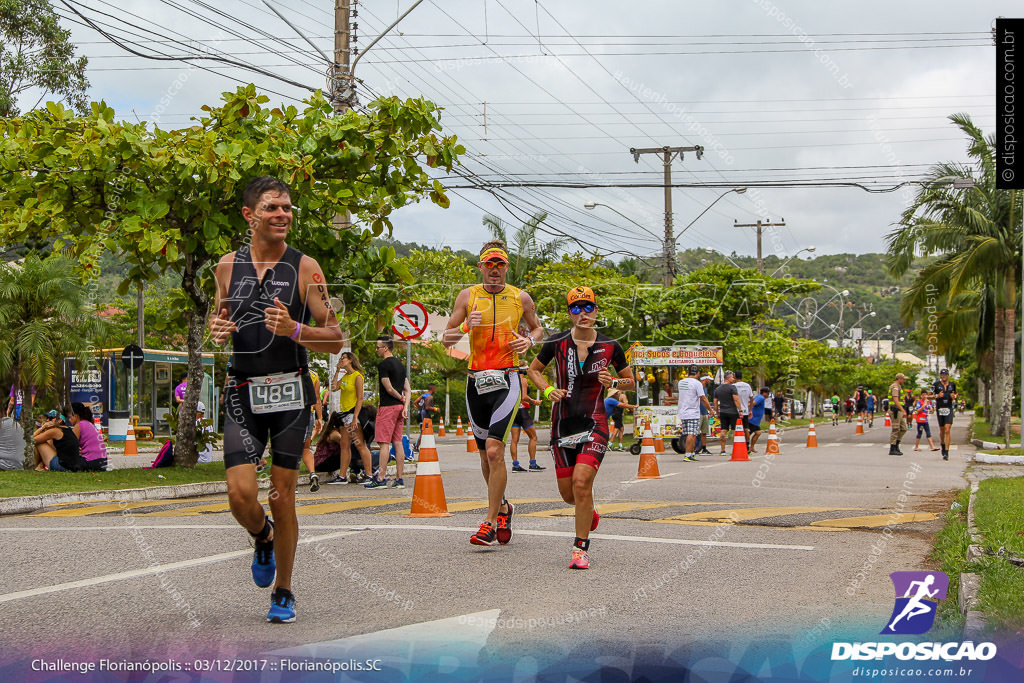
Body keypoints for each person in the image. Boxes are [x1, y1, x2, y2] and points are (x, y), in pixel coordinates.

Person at [208, 175, 344, 624]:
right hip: (243, 391)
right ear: (250, 215)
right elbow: (221, 318)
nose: (282, 215)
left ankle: (284, 590)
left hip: (291, 392)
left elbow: (336, 338)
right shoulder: (226, 267)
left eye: (286, 207)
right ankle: (262, 535)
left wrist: (296, 330)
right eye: (271, 208)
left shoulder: (307, 269)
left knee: (283, 496)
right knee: (239, 494)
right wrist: (218, 330)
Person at [443, 240, 543, 547]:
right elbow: (446, 338)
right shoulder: (467, 296)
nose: (495, 270)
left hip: (507, 377)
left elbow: (538, 329)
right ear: (481, 267)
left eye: (500, 265)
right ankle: (503, 508)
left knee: (495, 450)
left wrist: (530, 342)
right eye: (490, 265)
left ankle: (488, 522)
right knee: (488, 456)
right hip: (476, 382)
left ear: (506, 268)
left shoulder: (520, 297)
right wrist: (463, 329)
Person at [527, 286, 634, 569]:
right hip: (562, 424)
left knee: (582, 482)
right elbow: (533, 370)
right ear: (569, 313)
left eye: (588, 307)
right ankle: (588, 511)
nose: (583, 313)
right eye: (576, 308)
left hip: (595, 422)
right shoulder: (556, 342)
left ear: (597, 311)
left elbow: (630, 382)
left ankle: (580, 549)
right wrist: (548, 388)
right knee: (568, 494)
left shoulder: (611, 346)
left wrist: (614, 383)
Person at [366, 336, 410, 489]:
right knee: (397, 442)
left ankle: (380, 478)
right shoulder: (400, 364)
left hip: (387, 407)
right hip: (398, 409)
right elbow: (407, 388)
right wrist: (404, 405)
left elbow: (389, 388)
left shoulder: (383, 365)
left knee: (383, 443)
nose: (376, 350)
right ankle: (399, 478)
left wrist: (400, 398)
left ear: (385, 348)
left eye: (378, 347)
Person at [330, 351, 373, 484]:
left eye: (343, 358)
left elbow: (360, 398)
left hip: (353, 413)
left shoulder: (357, 376)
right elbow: (333, 388)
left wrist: (355, 418)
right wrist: (337, 371)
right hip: (343, 414)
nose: (341, 360)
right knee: (344, 444)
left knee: (360, 444)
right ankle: (342, 476)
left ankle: (369, 474)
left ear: (350, 360)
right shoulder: (345, 377)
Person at [677, 365, 714, 461]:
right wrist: (710, 409)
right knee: (692, 433)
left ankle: (692, 453)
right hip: (692, 411)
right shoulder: (697, 384)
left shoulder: (681, 382)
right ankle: (688, 454)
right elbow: (703, 398)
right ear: (697, 373)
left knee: (689, 433)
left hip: (683, 411)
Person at [510, 377, 545, 472]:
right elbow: (524, 397)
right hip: (523, 411)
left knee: (514, 440)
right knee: (533, 437)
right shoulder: (523, 380)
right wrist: (534, 401)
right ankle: (532, 464)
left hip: (513, 411)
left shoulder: (510, 379)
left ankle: (515, 465)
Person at [300, 372, 325, 492]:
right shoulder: (314, 375)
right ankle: (313, 473)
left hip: (293, 413)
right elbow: (316, 398)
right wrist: (319, 418)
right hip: (308, 413)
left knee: (291, 449)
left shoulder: (290, 370)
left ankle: (292, 484)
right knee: (306, 448)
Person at [713, 371, 744, 455]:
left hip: (723, 412)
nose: (733, 379)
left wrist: (717, 412)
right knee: (734, 430)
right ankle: (735, 449)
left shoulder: (718, 389)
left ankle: (723, 450)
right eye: (732, 377)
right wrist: (740, 410)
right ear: (728, 378)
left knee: (723, 430)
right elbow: (736, 399)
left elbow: (715, 402)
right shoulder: (732, 388)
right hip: (733, 411)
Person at [70, 402, 107, 471]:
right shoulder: (89, 424)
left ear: (76, 416)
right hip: (102, 463)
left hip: (91, 462)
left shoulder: (78, 425)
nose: (69, 419)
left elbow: (70, 447)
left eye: (70, 417)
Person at [932, 369, 958, 461]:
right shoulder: (936, 385)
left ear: (948, 376)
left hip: (949, 408)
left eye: (945, 375)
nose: (944, 377)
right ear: (940, 376)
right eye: (942, 375)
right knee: (942, 430)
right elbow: (929, 395)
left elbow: (955, 394)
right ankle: (942, 444)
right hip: (940, 409)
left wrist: (954, 397)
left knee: (947, 429)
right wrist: (937, 396)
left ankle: (946, 452)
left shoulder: (952, 385)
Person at [312, 412, 346, 476]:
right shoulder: (335, 434)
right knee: (348, 453)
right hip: (322, 464)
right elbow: (347, 445)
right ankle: (355, 470)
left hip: (320, 462)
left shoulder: (331, 430)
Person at [887, 372, 909, 455]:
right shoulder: (895, 387)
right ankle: (893, 447)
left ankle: (896, 444)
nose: (904, 381)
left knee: (903, 428)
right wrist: (903, 410)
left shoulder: (899, 386)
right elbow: (895, 400)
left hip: (898, 410)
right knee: (896, 428)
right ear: (899, 379)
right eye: (903, 379)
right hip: (895, 410)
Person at [414, 384, 438, 454]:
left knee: (424, 431)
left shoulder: (424, 395)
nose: (435, 390)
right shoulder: (430, 397)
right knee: (423, 431)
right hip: (424, 415)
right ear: (432, 388)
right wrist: (435, 408)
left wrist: (420, 408)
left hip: (420, 414)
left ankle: (417, 445)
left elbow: (415, 402)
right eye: (435, 388)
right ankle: (415, 446)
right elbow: (427, 407)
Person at [697, 375, 716, 454]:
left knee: (704, 432)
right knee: (696, 432)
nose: (710, 381)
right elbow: (703, 400)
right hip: (699, 412)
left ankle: (704, 448)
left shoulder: (705, 388)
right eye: (709, 380)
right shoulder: (699, 387)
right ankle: (695, 448)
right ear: (705, 379)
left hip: (704, 412)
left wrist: (708, 411)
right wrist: (710, 410)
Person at [748, 387, 770, 452]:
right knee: (748, 434)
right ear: (764, 393)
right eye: (768, 393)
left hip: (755, 420)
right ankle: (745, 447)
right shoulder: (761, 397)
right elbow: (753, 403)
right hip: (752, 420)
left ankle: (751, 447)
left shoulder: (760, 397)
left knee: (758, 433)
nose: (768, 395)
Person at [733, 370, 753, 439]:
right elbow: (751, 398)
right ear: (742, 377)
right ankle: (747, 445)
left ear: (734, 377)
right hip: (745, 411)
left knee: (735, 428)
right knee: (746, 428)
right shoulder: (747, 386)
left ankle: (736, 444)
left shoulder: (733, 386)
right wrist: (750, 410)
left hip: (735, 411)